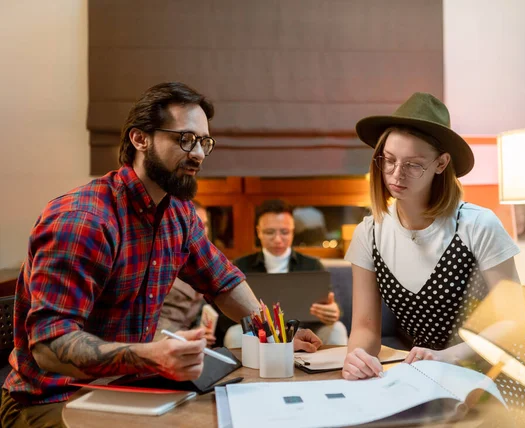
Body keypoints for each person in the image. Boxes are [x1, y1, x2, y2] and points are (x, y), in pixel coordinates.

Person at [0, 82, 321, 428]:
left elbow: (224, 282)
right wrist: (149, 356)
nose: (197, 153)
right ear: (140, 139)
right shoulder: (85, 221)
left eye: (204, 142)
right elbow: (49, 347)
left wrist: (275, 335)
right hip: (50, 400)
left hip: (127, 390)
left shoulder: (178, 214)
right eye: (185, 139)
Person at [342, 92, 525, 422]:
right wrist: (357, 357)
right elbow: (365, 329)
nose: (395, 174)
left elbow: (514, 321)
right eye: (388, 160)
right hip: (432, 374)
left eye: (413, 165)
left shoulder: (477, 225)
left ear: (441, 163)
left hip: (499, 368)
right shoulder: (370, 234)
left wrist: (450, 356)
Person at [219, 199, 348, 348]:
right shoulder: (241, 266)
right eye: (269, 232)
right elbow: (224, 315)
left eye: (285, 232)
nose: (278, 239)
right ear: (258, 232)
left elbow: (330, 302)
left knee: (337, 329)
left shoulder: (312, 265)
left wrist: (332, 311)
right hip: (261, 334)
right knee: (233, 334)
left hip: (305, 330)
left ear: (293, 231)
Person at [154, 200, 215, 346]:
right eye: (196, 224)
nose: (202, 230)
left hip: (187, 341)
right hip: (157, 341)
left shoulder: (205, 260)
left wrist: (199, 333)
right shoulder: (158, 258)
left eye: (205, 224)